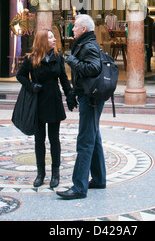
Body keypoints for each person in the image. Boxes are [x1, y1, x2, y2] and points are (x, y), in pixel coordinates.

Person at [16, 29, 77, 189]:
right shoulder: (31, 59)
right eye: (51, 37)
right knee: (39, 140)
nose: (54, 39)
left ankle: (55, 173)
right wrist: (31, 85)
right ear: (43, 40)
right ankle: (40, 173)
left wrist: (69, 94)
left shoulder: (57, 57)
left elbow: (63, 78)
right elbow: (20, 76)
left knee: (54, 139)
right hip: (38, 101)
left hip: (54, 100)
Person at [56, 14, 106, 200]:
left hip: (91, 99)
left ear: (84, 29)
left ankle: (79, 187)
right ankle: (99, 179)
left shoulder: (89, 45)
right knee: (94, 136)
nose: (72, 28)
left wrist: (72, 61)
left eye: (75, 26)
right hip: (88, 96)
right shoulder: (85, 44)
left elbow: (94, 68)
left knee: (85, 141)